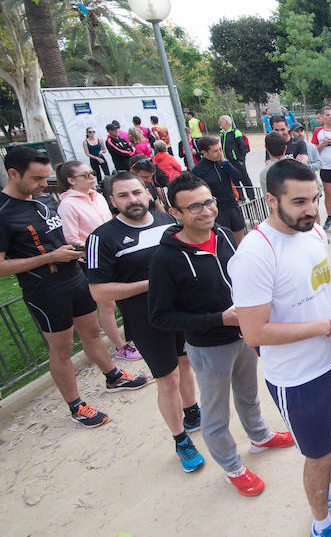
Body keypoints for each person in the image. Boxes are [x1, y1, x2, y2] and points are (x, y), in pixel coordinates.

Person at [229, 159, 331, 536]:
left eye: (314, 198)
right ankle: (321, 521)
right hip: (296, 378)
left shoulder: (312, 232)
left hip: (330, 362)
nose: (311, 209)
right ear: (270, 200)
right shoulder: (254, 255)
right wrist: (327, 326)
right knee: (318, 453)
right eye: (299, 202)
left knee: (328, 443)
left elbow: (323, 279)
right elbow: (254, 333)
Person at [149, 172, 294, 496]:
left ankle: (259, 437)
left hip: (244, 336)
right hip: (207, 347)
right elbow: (160, 316)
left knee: (248, 394)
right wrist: (218, 318)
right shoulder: (165, 258)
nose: (205, 211)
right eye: (194, 207)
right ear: (176, 213)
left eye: (209, 202)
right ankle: (232, 467)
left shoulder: (225, 234)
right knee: (215, 413)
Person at [0, 147, 147, 428]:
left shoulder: (42, 200)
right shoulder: (4, 212)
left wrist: (72, 249)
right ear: (13, 173)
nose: (45, 184)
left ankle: (113, 376)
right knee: (62, 348)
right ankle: (76, 405)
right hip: (45, 290)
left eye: (45, 177)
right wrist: (51, 257)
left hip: (74, 278)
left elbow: (54, 239)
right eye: (37, 178)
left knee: (92, 333)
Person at [86, 171, 203, 471]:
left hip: (182, 311)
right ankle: (181, 441)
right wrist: (151, 284)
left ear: (148, 192)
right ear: (112, 200)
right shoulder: (102, 238)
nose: (133, 200)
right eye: (123, 195)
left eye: (137, 192)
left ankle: (192, 413)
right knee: (168, 379)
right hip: (147, 319)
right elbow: (98, 290)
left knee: (186, 364)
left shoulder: (166, 222)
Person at [55, 161, 139, 361]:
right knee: (107, 304)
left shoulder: (98, 196)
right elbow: (69, 237)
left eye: (92, 172)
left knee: (126, 298)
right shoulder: (67, 204)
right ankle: (120, 346)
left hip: (116, 253)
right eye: (86, 174)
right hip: (93, 258)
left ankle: (135, 335)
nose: (92, 176)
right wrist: (95, 247)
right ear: (71, 180)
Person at [191, 136, 246, 243]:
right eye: (215, 151)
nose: (220, 153)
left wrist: (226, 163)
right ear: (204, 152)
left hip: (232, 205)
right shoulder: (198, 170)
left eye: (220, 149)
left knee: (240, 241)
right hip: (217, 211)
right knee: (224, 241)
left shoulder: (223, 162)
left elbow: (238, 177)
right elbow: (195, 192)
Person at [218, 115, 252, 192]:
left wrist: (241, 160)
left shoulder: (236, 132)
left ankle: (251, 197)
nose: (219, 123)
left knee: (244, 179)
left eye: (221, 121)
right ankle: (241, 198)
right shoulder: (222, 133)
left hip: (236, 160)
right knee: (234, 180)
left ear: (227, 122)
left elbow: (243, 147)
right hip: (228, 160)